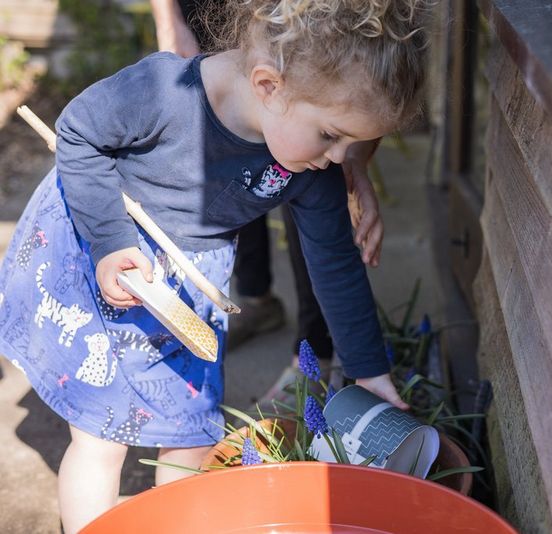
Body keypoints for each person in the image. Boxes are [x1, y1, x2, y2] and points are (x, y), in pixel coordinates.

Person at [0, 0, 425, 531]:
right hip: (107, 253)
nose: (340, 158)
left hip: (186, 286)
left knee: (189, 432)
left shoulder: (311, 166)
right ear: (269, 86)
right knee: (101, 436)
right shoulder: (163, 92)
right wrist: (110, 240)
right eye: (331, 136)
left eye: (353, 145)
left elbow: (336, 263)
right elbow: (79, 133)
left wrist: (370, 372)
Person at [150, 0, 384, 363]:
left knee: (306, 175)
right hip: (214, 12)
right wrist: (170, 18)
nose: (334, 155)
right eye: (332, 138)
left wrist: (353, 159)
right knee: (234, 145)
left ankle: (313, 350)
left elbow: (373, 78)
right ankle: (255, 297)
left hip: (310, 27)